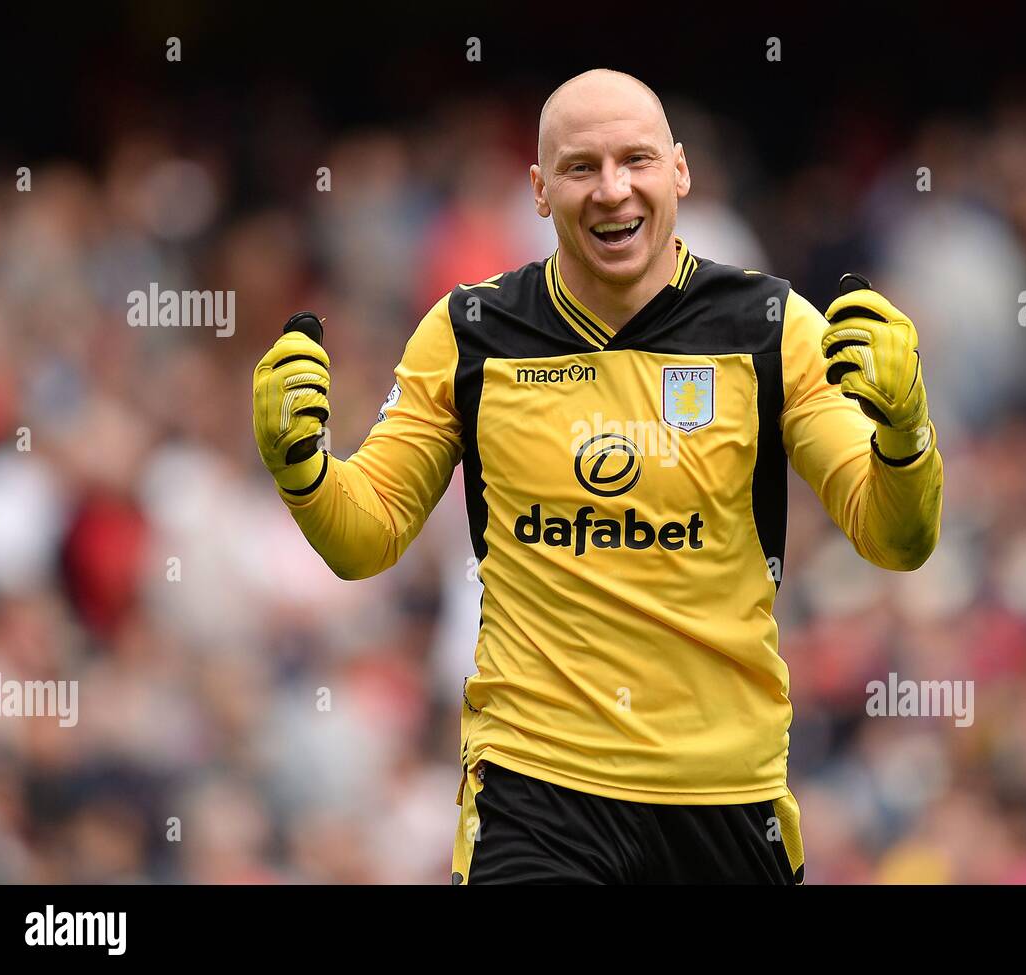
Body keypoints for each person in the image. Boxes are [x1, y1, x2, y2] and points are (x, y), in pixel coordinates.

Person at [251, 69, 944, 884]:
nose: (613, 190)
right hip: (536, 791)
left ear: (679, 171)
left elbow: (895, 539)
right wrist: (300, 468)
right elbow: (365, 537)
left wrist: (904, 433)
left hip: (721, 794)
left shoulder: (771, 328)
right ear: (541, 191)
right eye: (582, 168)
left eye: (637, 160)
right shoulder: (470, 333)